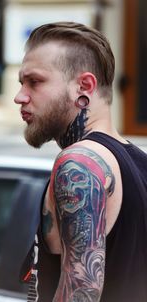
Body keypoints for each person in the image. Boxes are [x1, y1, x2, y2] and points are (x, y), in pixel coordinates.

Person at [14, 22, 147, 302]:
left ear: (84, 86)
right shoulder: (139, 163)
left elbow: (81, 293)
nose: (20, 96)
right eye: (21, 83)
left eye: (34, 82)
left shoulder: (80, 164)